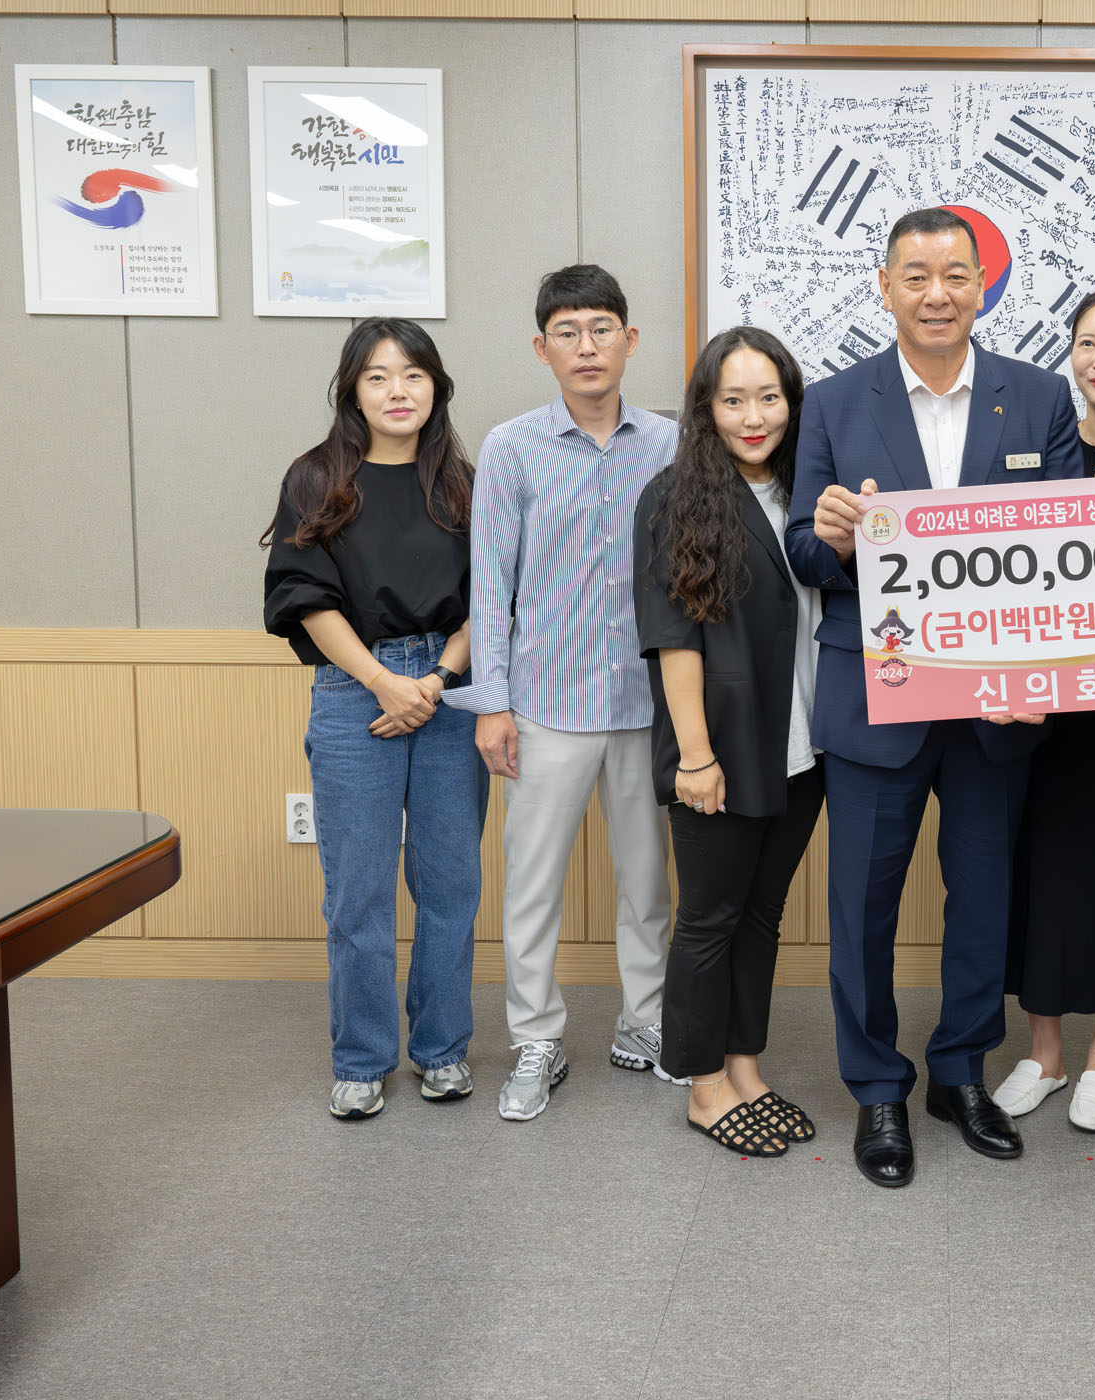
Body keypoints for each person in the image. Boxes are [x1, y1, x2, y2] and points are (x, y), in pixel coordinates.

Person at [786, 206, 1085, 1188]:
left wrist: (1047, 675)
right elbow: (799, 549)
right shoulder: (834, 401)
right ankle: (877, 1086)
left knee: (984, 900)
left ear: (981, 286)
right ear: (885, 288)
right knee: (862, 907)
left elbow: (1066, 550)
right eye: (915, 276)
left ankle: (960, 1071)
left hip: (997, 705)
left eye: (955, 274)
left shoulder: (1037, 396)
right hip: (876, 695)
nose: (936, 293)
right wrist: (831, 537)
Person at [440, 266, 677, 1123]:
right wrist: (492, 704)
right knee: (533, 885)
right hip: (545, 704)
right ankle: (536, 1038)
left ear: (630, 340)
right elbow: (490, 586)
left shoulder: (672, 444)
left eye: (602, 328)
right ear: (542, 349)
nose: (587, 346)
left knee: (648, 884)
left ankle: (647, 1021)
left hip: (647, 703)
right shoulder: (511, 448)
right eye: (568, 332)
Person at [262, 318, 487, 1121]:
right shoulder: (316, 479)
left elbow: (496, 598)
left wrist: (436, 679)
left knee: (451, 884)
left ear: (436, 388)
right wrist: (385, 682)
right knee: (358, 892)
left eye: (414, 375)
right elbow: (303, 597)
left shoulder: (465, 483)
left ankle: (442, 1051)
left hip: (449, 692)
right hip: (355, 689)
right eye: (379, 377)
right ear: (352, 390)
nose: (399, 391)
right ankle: (361, 1060)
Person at [635, 327, 826, 1158]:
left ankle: (745, 1066)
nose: (755, 417)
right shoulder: (675, 496)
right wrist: (695, 756)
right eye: (734, 400)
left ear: (793, 401)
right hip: (722, 749)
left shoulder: (806, 491)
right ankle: (703, 1083)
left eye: (770, 398)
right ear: (706, 409)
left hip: (805, 746)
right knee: (709, 920)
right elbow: (673, 637)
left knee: (761, 916)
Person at [992, 284, 1095, 1133]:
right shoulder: (1039, 444)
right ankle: (1045, 1053)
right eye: (1088, 343)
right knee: (1034, 873)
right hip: (1036, 709)